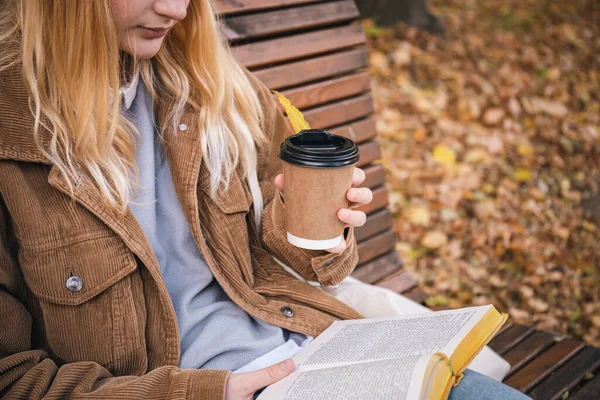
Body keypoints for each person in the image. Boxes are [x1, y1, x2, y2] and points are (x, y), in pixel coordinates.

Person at [0, 1, 531, 399]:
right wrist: (208, 391)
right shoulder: (14, 140)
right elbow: (14, 377)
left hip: (314, 353)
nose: (176, 9)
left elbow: (308, 259)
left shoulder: (209, 85)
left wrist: (329, 225)